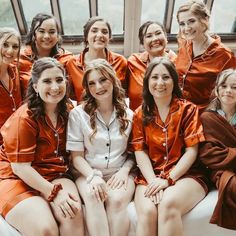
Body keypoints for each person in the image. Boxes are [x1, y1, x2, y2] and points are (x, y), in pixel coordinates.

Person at [0, 57, 84, 236]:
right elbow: (20, 168)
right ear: (35, 86)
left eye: (59, 80)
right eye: (47, 81)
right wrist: (55, 193)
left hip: (55, 172)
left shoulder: (69, 111)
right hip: (16, 178)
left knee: (73, 212)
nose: (55, 87)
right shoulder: (24, 118)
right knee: (45, 229)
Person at [132, 57, 209, 236]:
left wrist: (167, 180)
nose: (160, 83)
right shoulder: (139, 114)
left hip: (186, 175)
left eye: (166, 77)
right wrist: (153, 182)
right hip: (150, 176)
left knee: (168, 204)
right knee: (148, 211)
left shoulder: (188, 110)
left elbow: (192, 152)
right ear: (147, 81)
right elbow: (139, 151)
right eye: (154, 77)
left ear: (174, 81)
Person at [66, 58, 135, 236]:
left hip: (119, 172)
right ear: (87, 88)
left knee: (116, 201)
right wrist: (92, 176)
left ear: (112, 80)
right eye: (92, 83)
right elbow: (77, 157)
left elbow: (135, 153)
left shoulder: (130, 115)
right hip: (87, 171)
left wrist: (124, 171)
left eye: (103, 79)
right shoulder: (78, 115)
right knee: (93, 197)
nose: (98, 86)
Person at [175, 0, 234, 113]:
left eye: (191, 21)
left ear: (205, 20)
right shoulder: (183, 44)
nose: (186, 28)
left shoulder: (225, 55)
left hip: (203, 115)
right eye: (182, 23)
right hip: (178, 110)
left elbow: (228, 95)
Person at [199, 68, 236, 230]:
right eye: (224, 86)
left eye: (235, 87)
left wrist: (229, 152)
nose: (228, 91)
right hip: (221, 171)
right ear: (217, 89)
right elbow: (208, 154)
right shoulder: (207, 117)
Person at [66, 16, 127, 103]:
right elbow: (71, 95)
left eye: (104, 32)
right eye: (94, 31)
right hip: (84, 114)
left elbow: (124, 92)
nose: (99, 35)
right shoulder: (72, 64)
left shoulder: (121, 62)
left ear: (109, 37)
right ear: (86, 36)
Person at [126, 21, 176, 111]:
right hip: (137, 120)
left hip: (168, 121)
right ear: (143, 43)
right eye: (149, 36)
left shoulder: (178, 63)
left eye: (158, 33)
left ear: (166, 37)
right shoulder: (133, 62)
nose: (155, 39)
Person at [18, 13, 73, 83]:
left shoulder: (68, 59)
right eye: (41, 31)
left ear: (57, 35)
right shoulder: (19, 59)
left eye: (52, 32)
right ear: (33, 34)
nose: (47, 36)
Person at [0, 27, 23, 145]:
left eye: (15, 47)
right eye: (5, 45)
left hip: (15, 137)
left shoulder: (15, 71)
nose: (10, 51)